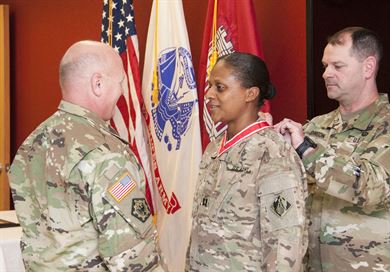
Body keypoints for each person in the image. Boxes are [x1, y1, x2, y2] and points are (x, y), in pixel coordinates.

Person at [8, 41, 164, 271]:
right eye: (121, 83)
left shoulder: (31, 144)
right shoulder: (106, 155)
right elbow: (133, 259)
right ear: (98, 84)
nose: (122, 92)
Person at [275, 27, 390, 271]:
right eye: (325, 66)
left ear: (368, 67)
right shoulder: (316, 126)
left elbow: (374, 188)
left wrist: (306, 151)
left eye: (338, 66)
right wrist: (276, 148)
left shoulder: (385, 124)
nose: (327, 74)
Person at [187, 52, 308, 271]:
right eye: (210, 86)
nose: (208, 94)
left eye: (220, 87)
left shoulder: (273, 154)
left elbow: (284, 247)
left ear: (250, 94)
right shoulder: (215, 147)